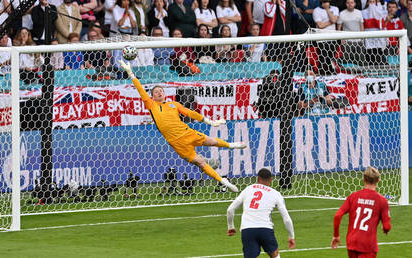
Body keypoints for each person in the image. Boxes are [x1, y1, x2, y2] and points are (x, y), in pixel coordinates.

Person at [120, 60, 246, 192]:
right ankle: (223, 181)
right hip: (176, 142)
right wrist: (130, 73)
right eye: (156, 92)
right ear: (152, 96)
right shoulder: (151, 105)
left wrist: (209, 121)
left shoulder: (174, 104)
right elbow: (140, 90)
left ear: (165, 93)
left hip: (187, 133)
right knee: (200, 163)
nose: (159, 92)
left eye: (161, 90)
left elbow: (190, 113)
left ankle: (232, 145)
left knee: (212, 141)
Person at [226, 168, 296, 258]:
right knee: (275, 255)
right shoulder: (276, 194)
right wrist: (291, 236)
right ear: (271, 180)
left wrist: (231, 226)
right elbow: (286, 218)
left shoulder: (248, 189)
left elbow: (230, 210)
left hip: (247, 229)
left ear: (258, 178)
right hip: (265, 229)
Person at [331, 166, 391, 257]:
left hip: (352, 242)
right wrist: (385, 229)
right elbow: (387, 226)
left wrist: (336, 235)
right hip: (368, 245)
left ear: (363, 180)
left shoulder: (353, 196)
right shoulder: (382, 201)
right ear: (378, 180)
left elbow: (337, 216)